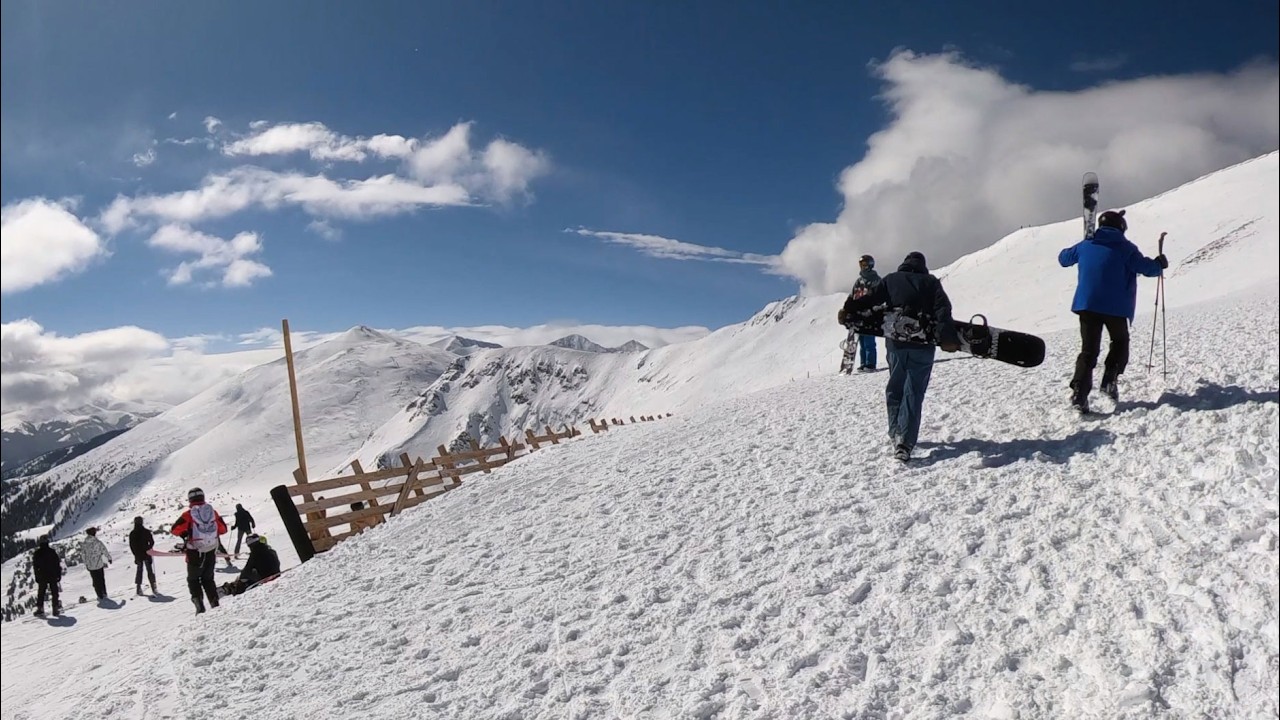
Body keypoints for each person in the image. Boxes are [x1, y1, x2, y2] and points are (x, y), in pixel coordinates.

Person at [839, 251, 960, 461]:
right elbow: (943, 309)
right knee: (914, 391)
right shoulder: (930, 283)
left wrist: (850, 309)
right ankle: (905, 441)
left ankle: (895, 432)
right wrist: (947, 336)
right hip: (922, 344)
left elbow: (870, 300)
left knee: (895, 387)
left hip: (896, 342)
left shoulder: (891, 280)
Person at [1058, 209, 1167, 413]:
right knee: (1119, 342)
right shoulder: (1126, 248)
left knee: (1088, 350)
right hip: (1116, 307)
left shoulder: (1086, 245)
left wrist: (1084, 245)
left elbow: (1063, 259)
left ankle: (1079, 394)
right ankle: (1109, 380)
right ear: (1121, 227)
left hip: (1087, 304)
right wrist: (1159, 264)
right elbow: (1146, 268)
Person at [170, 487, 228, 614]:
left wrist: (186, 533)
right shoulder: (213, 512)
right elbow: (223, 529)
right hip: (211, 551)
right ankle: (214, 603)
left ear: (190, 499)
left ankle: (199, 607)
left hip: (194, 553)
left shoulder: (188, 515)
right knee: (208, 579)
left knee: (193, 580)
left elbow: (174, 529)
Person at [32, 536, 63, 617]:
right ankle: (55, 608)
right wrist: (58, 574)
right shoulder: (52, 552)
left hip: (42, 575)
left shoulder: (37, 553)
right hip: (52, 574)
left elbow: (35, 566)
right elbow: (57, 564)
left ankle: (40, 608)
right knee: (54, 592)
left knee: (41, 592)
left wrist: (37, 576)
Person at [81, 527, 113, 600]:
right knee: (101, 579)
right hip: (99, 564)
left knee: (95, 580)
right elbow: (104, 550)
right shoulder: (98, 542)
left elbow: (83, 555)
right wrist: (109, 558)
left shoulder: (85, 544)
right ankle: (104, 593)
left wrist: (86, 564)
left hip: (91, 566)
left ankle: (99, 594)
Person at [129, 516, 157, 595]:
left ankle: (138, 588)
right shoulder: (146, 531)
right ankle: (153, 587)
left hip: (138, 555)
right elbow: (151, 542)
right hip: (146, 553)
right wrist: (148, 548)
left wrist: (135, 555)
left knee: (139, 571)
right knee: (150, 570)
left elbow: (132, 546)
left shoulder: (132, 533)